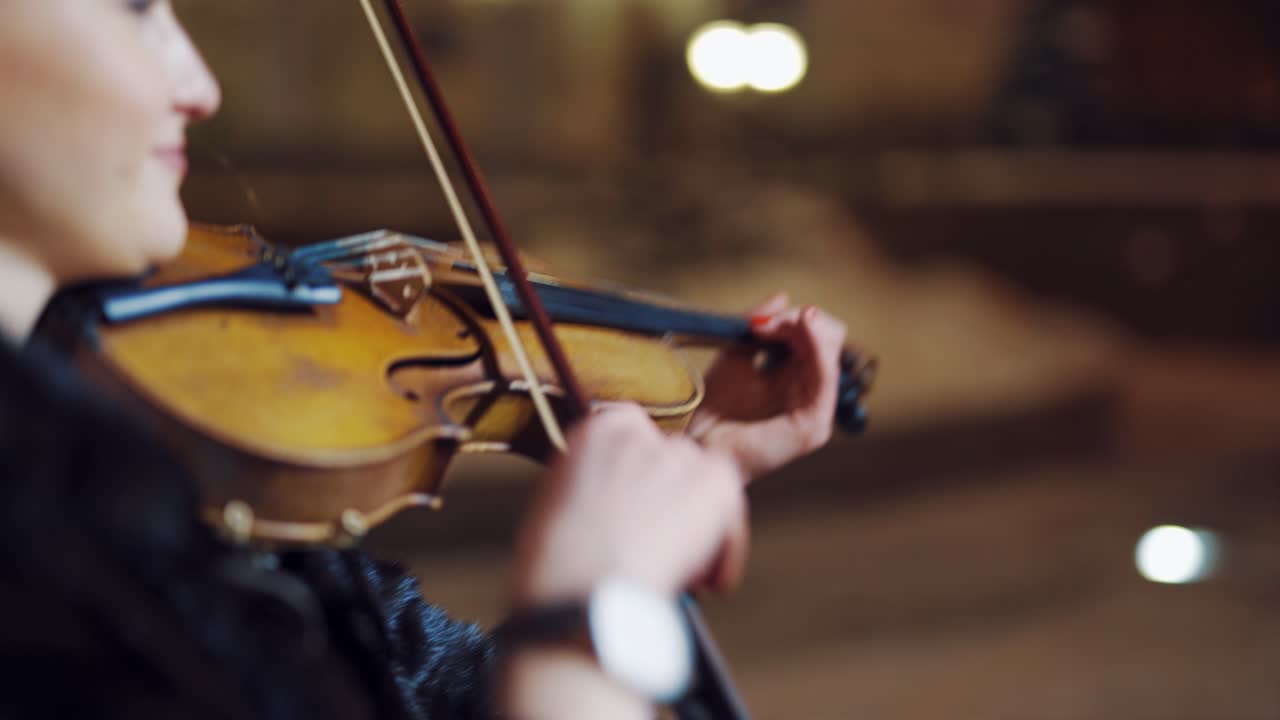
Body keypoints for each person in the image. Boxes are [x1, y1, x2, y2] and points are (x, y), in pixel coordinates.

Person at [0, 2, 848, 718]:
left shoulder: (105, 452)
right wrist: (588, 620)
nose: (201, 86)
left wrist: (649, 529)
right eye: (138, 6)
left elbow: (400, 691)